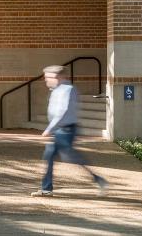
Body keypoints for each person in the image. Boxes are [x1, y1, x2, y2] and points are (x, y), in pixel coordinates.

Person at [31, 65, 108, 197]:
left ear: (57, 77)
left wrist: (49, 129)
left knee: (72, 158)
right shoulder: (56, 90)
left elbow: (63, 110)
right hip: (60, 130)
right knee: (50, 155)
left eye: (48, 77)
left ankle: (99, 180)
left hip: (67, 130)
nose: (46, 80)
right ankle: (46, 189)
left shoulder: (68, 89)